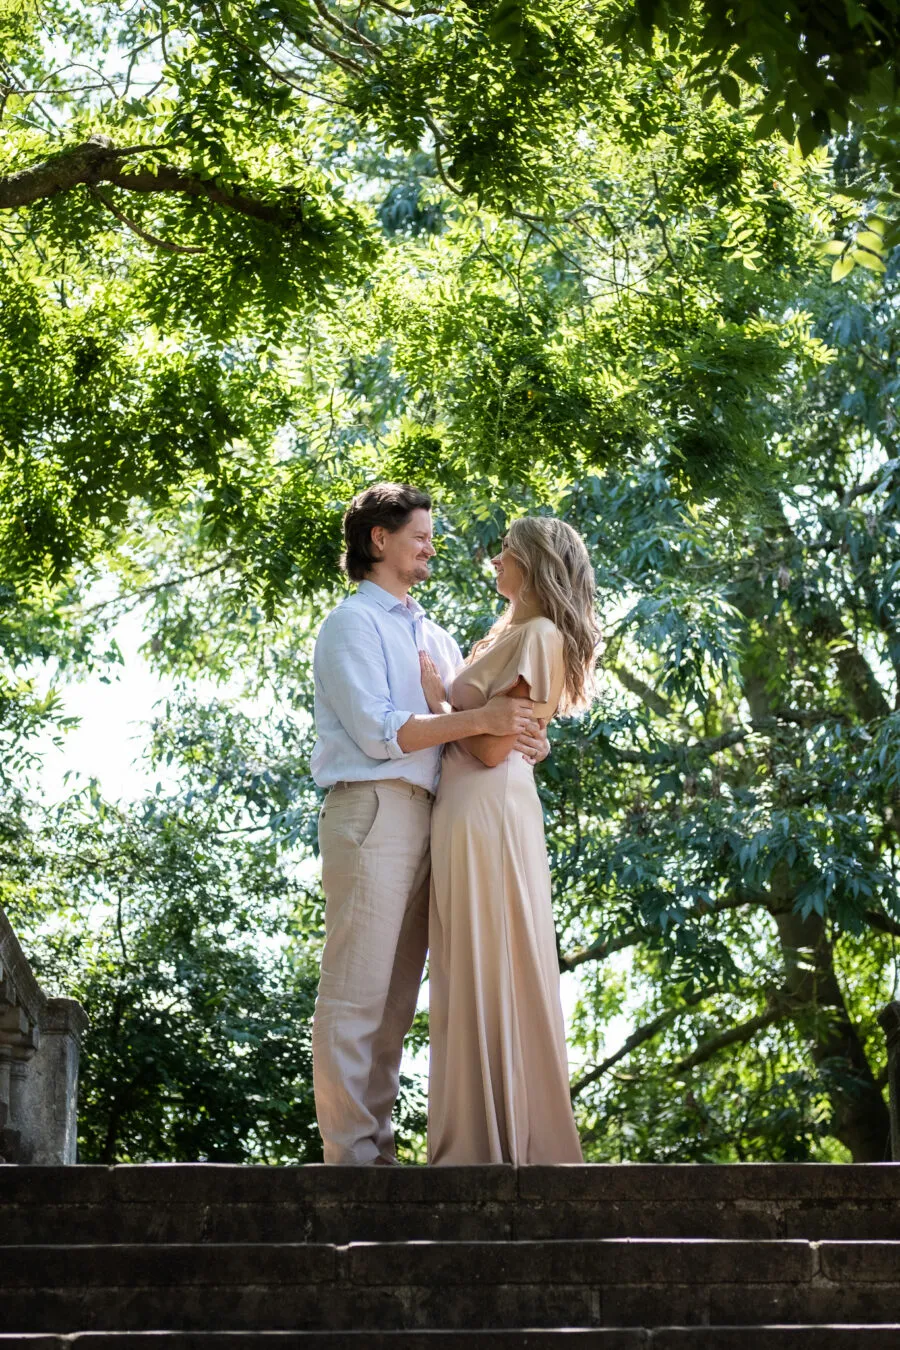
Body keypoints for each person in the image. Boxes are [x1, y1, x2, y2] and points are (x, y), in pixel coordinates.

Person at [309, 483, 549, 1165]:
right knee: (356, 996)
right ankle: (350, 1162)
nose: (430, 547)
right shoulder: (351, 624)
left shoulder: (433, 633)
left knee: (394, 1007)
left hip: (436, 819)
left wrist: (530, 735)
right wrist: (481, 720)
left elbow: (483, 723)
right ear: (378, 540)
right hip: (374, 806)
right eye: (419, 535)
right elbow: (380, 729)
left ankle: (378, 1155)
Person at [420, 515, 599, 1165]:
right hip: (474, 805)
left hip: (486, 805)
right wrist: (458, 712)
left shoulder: (541, 633)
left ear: (530, 563)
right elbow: (502, 734)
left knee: (489, 957)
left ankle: (492, 1145)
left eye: (505, 552)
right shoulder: (513, 634)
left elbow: (494, 747)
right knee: (470, 962)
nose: (493, 561)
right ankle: (483, 1135)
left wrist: (439, 703)